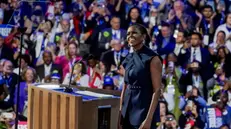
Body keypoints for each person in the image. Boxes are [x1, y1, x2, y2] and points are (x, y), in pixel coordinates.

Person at [118, 23, 162, 129]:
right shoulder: (128, 57)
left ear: (143, 36)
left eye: (134, 33)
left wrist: (148, 119)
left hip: (143, 105)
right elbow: (125, 86)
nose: (130, 36)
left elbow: (157, 90)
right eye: (128, 34)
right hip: (127, 107)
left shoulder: (152, 58)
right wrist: (120, 112)